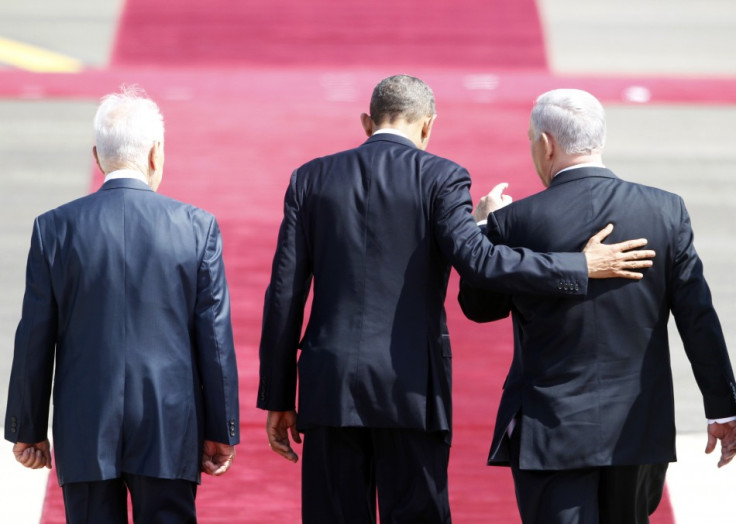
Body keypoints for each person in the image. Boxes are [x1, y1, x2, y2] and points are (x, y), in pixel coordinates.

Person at [257, 75, 655, 523]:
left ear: (367, 122)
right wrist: (577, 266)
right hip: (410, 389)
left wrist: (278, 394)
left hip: (327, 387)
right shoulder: (441, 177)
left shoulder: (310, 178)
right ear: (428, 126)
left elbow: (284, 293)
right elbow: (482, 264)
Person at [459, 88, 736, 524]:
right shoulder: (666, 212)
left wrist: (483, 228)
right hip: (638, 427)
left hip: (551, 430)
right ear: (599, 140)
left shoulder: (515, 222)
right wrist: (723, 406)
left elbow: (479, 307)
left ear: (546, 144)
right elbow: (697, 317)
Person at [4, 86, 240, 523]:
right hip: (169, 423)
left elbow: (35, 335)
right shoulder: (196, 227)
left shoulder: (53, 229)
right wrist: (221, 427)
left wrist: (28, 426)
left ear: (97, 156)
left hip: (85, 424)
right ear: (156, 154)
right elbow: (215, 340)